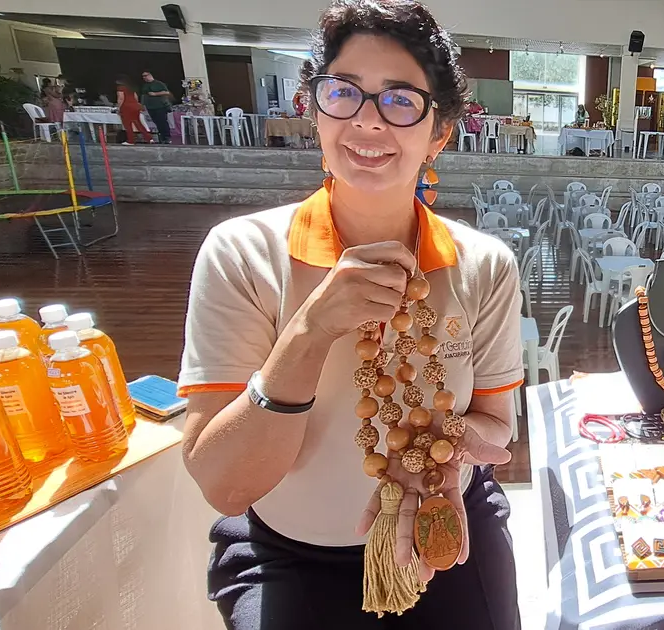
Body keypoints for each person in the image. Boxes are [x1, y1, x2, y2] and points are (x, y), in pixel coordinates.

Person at [178, 1, 522, 628]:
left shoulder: (484, 264)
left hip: (444, 523)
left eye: (400, 100)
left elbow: (496, 427)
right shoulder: (242, 254)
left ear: (439, 133)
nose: (367, 119)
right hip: (291, 555)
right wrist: (310, 331)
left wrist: (446, 450)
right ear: (315, 111)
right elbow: (225, 487)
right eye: (344, 92)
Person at [114, 76, 153, 144]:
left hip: (126, 107)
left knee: (128, 125)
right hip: (135, 106)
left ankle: (131, 140)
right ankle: (149, 138)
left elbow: (121, 98)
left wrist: (118, 108)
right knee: (138, 123)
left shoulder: (120, 88)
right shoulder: (131, 88)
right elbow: (136, 97)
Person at [139, 71, 174, 144]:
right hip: (150, 107)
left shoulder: (159, 83)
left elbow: (167, 92)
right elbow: (143, 95)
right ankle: (161, 137)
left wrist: (155, 94)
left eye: (146, 75)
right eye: (143, 76)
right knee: (156, 122)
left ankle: (167, 137)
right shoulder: (145, 85)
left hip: (160, 106)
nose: (144, 77)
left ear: (150, 75)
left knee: (162, 121)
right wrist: (142, 105)